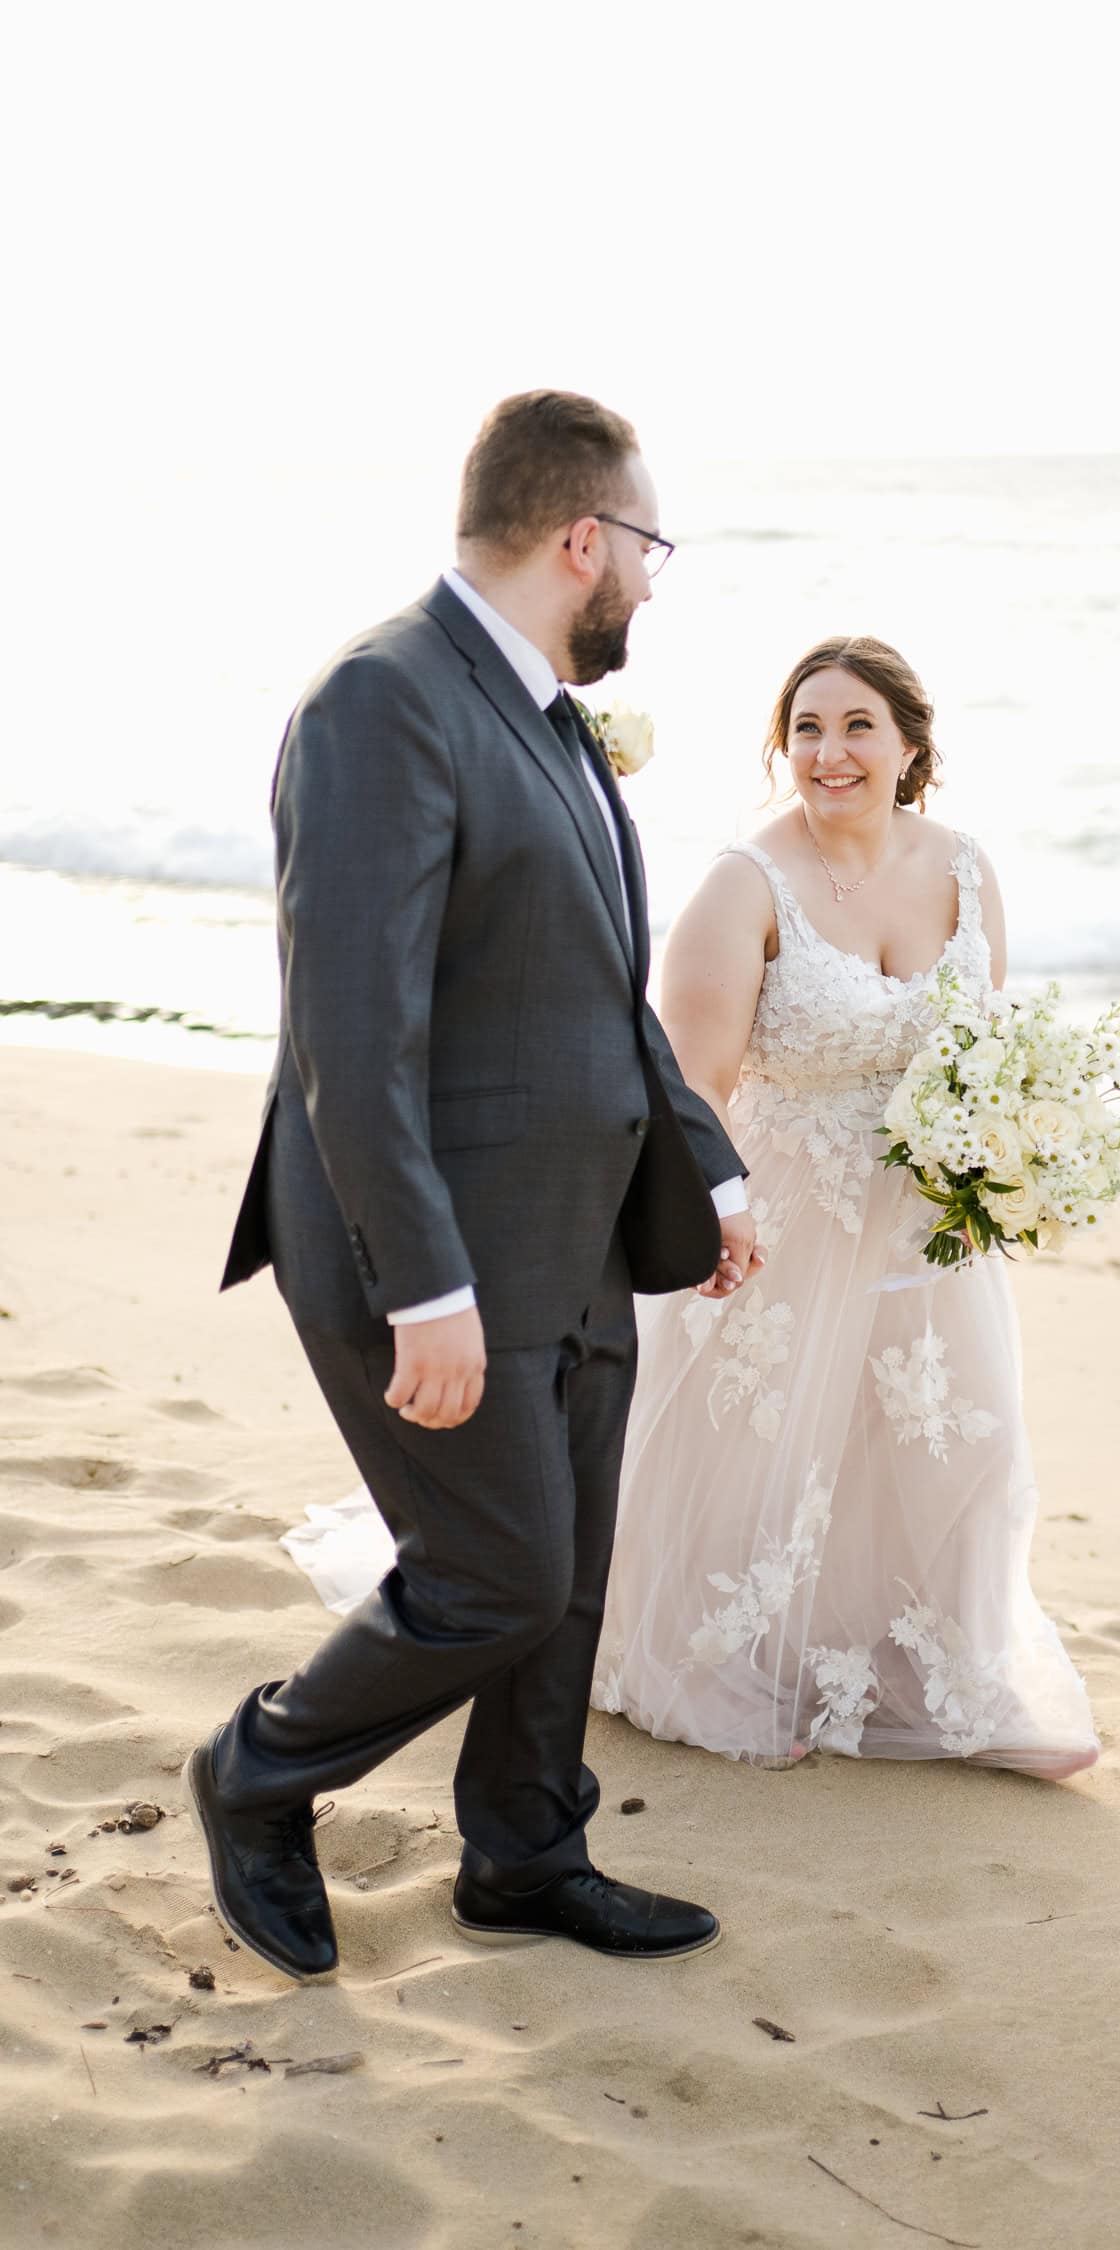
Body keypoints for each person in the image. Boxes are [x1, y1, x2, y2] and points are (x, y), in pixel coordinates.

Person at [185, 390, 758, 1983]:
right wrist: (420, 1284)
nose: (651, 576)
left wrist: (704, 1174)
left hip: (575, 1233)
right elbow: (353, 1034)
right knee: (493, 1572)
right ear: (584, 538)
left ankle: (523, 1851)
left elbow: (596, 999)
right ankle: (256, 1773)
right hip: (426, 1245)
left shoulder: (551, 719)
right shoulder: (385, 700)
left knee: (565, 1580)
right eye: (647, 544)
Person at [592, 637, 1100, 1774]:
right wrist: (719, 1215)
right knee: (760, 1445)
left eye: (858, 725)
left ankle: (943, 1667)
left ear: (910, 746)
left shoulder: (966, 869)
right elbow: (693, 1085)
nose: (830, 751)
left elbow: (988, 1055)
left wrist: (1016, 1155)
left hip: (930, 1225)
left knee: (950, 1437)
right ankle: (722, 1645)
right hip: (784, 1220)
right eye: (807, 728)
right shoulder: (745, 883)